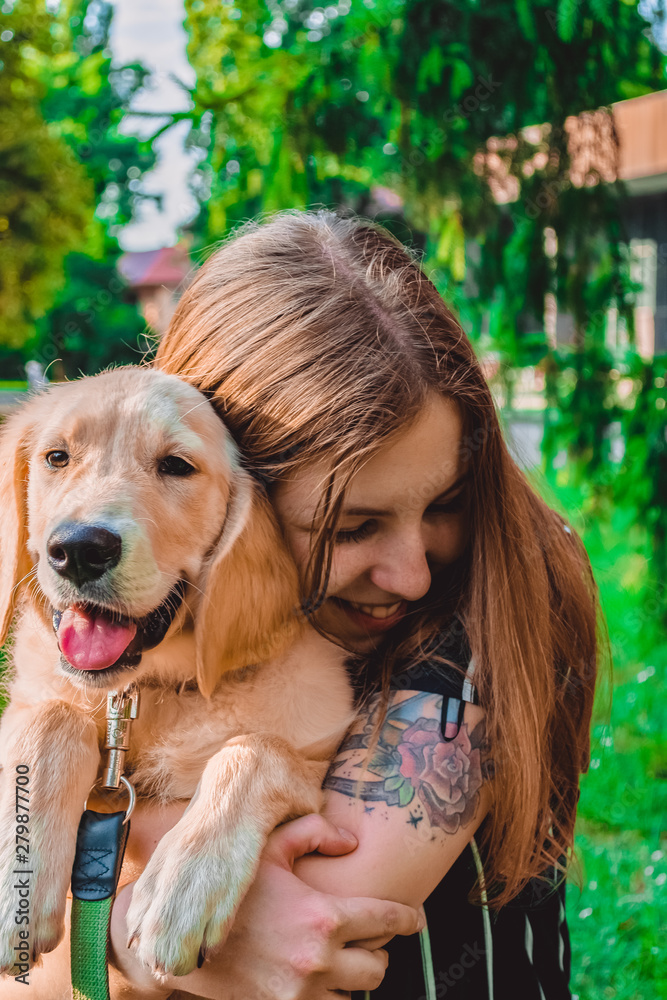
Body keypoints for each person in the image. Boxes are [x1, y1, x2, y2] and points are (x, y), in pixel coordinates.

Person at [0, 209, 599, 1000]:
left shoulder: (492, 596)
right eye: (351, 526)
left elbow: (305, 933)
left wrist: (104, 895)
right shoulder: (128, 628)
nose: (411, 573)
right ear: (247, 500)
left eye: (447, 501)